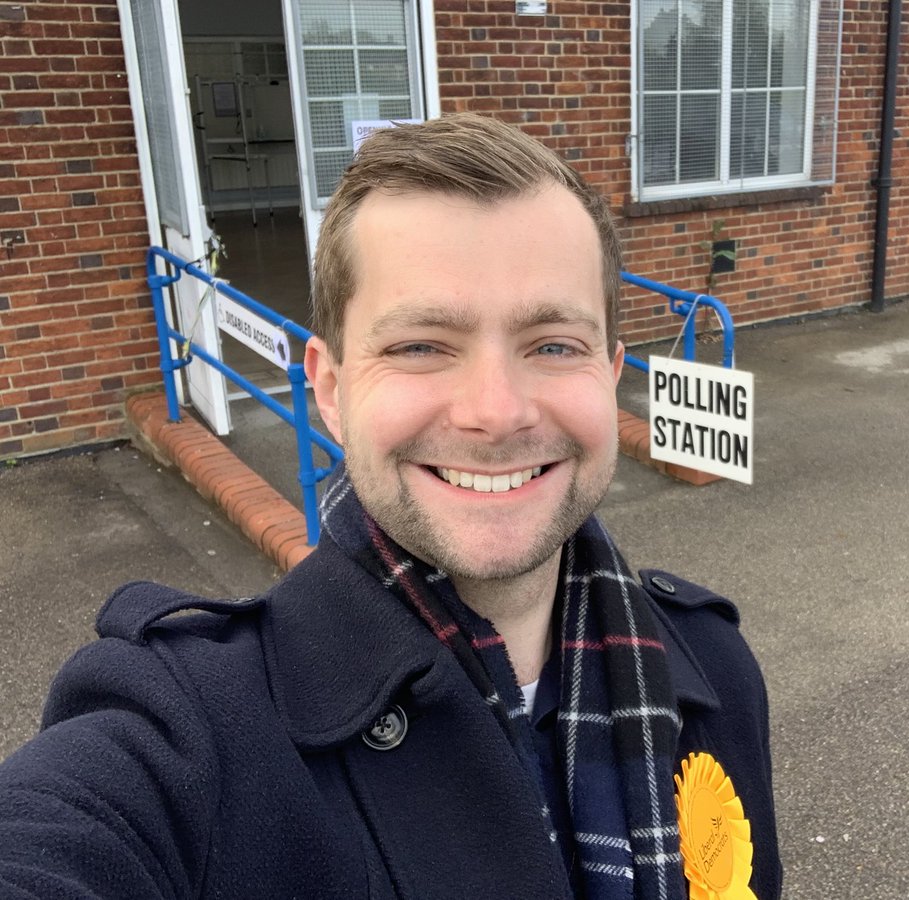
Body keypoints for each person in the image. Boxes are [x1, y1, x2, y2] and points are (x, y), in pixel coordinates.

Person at [0, 114, 781, 899]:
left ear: (610, 374)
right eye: (420, 346)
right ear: (331, 391)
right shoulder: (188, 733)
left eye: (552, 344)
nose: (497, 411)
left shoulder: (717, 669)